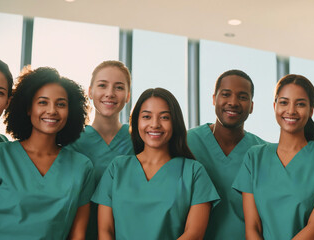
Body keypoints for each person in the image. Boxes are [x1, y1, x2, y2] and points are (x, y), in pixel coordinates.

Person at [0, 67, 95, 239]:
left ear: (71, 112)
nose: (52, 110)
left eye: (61, 104)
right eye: (42, 102)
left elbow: (78, 236)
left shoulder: (82, 167)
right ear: (28, 108)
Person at [92, 87, 220, 239]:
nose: (155, 124)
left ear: (175, 122)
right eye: (146, 117)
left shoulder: (193, 172)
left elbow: (194, 234)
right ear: (136, 121)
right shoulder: (117, 168)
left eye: (164, 117)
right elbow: (105, 231)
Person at [232, 74, 314, 239]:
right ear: (275, 106)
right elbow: (253, 227)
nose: (291, 110)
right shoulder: (254, 157)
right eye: (284, 102)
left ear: (311, 111)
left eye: (300, 104)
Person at [187, 69, 266, 239]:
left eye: (243, 97)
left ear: (251, 106)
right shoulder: (187, 142)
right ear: (214, 99)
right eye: (226, 94)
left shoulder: (263, 152)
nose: (233, 102)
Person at [66, 60, 133, 239]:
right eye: (102, 85)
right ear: (90, 92)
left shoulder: (139, 141)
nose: (109, 93)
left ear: (128, 96)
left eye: (119, 87)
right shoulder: (71, 140)